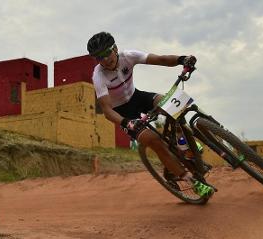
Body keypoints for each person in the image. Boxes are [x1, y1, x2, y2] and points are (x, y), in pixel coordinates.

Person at [87, 31, 214, 198]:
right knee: (155, 141)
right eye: (98, 57)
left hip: (137, 97)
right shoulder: (98, 76)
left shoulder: (128, 56)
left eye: (106, 53)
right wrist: (127, 123)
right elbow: (107, 110)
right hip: (123, 113)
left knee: (175, 104)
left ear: (115, 48)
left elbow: (161, 59)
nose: (104, 59)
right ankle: (192, 182)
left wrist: (182, 59)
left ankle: (184, 143)